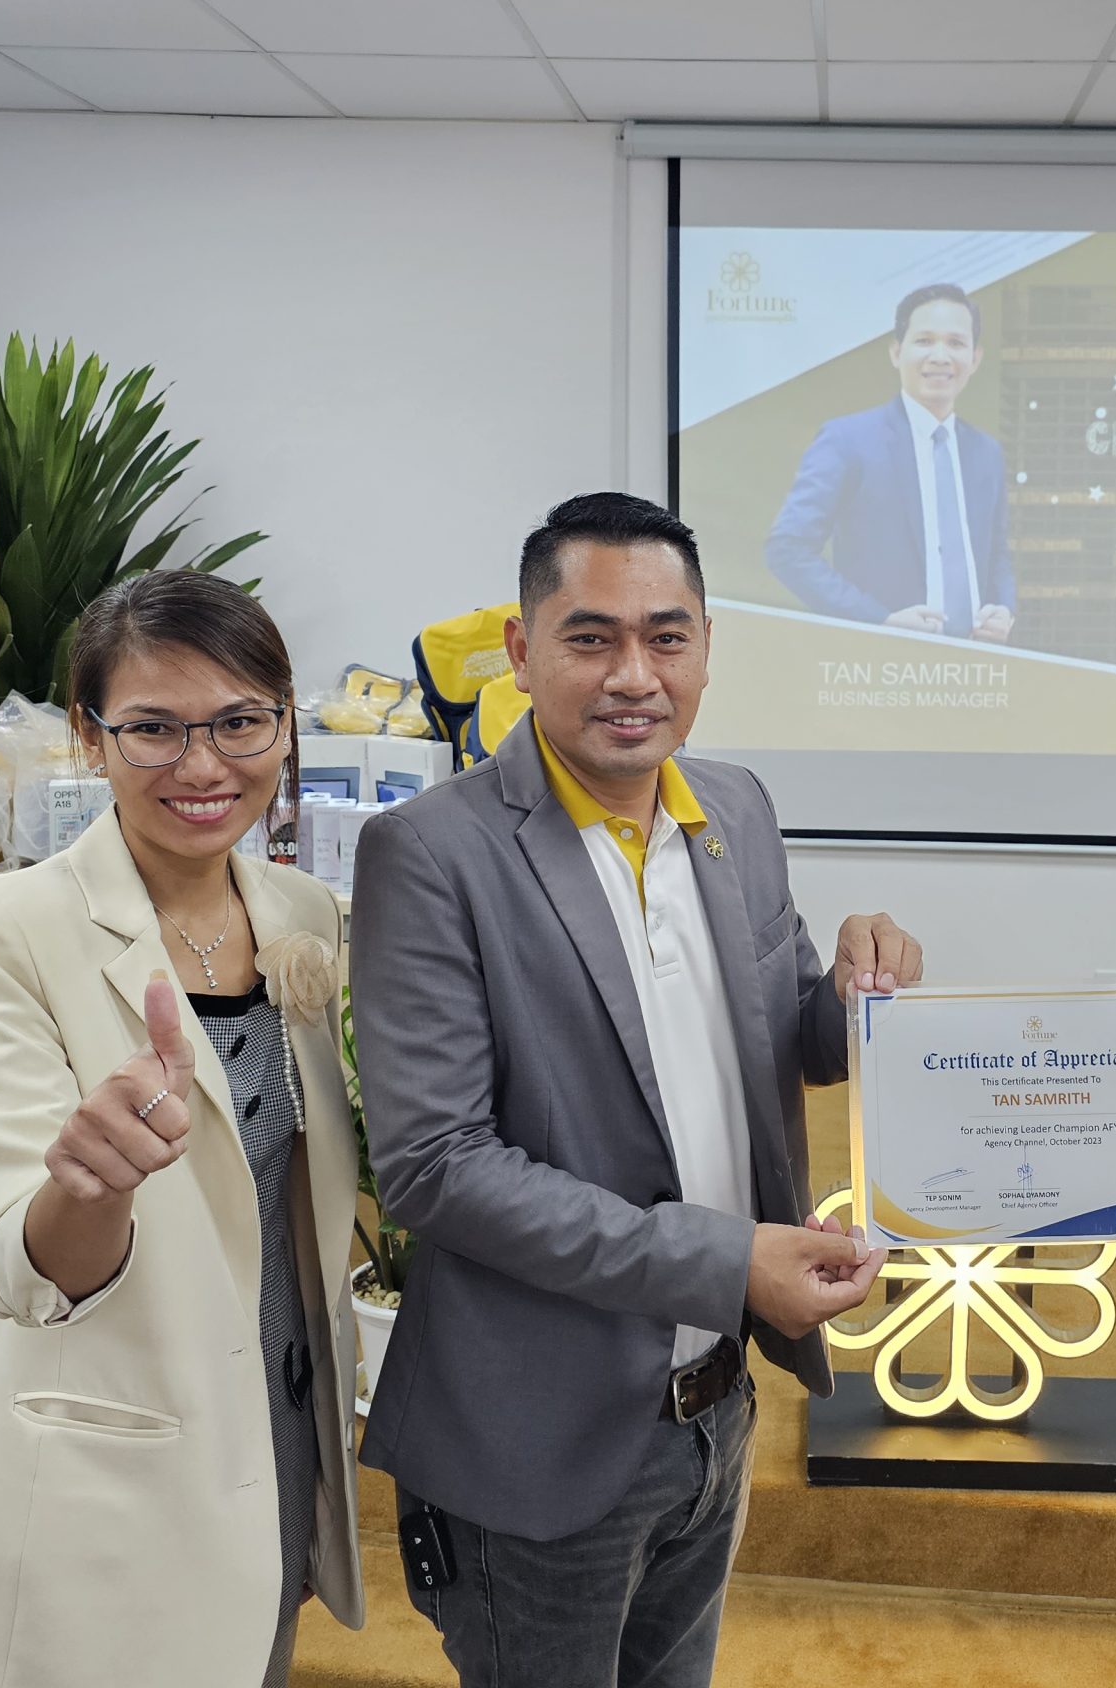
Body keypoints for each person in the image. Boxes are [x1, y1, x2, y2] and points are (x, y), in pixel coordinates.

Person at [351, 491, 920, 1688]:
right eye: (590, 637)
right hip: (537, 1437)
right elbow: (435, 1167)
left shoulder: (735, 809)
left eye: (666, 637)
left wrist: (858, 999)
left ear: (706, 647)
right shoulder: (434, 852)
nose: (633, 675)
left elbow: (784, 1032)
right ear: (521, 651)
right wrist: (728, 1261)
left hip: (712, 1410)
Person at [0, 571, 363, 1688]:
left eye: (241, 722)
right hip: (107, 1467)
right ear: (88, 735)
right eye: (153, 728)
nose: (203, 767)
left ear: (284, 724)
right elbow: (18, 1271)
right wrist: (90, 1184)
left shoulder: (303, 915)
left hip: (275, 1428)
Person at [765, 282, 1017, 640]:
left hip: (976, 663)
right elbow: (787, 549)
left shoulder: (987, 453)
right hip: (880, 661)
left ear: (975, 358)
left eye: (956, 343)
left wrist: (1004, 608)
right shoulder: (847, 440)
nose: (940, 356)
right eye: (924, 340)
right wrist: (877, 620)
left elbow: (997, 554)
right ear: (896, 352)